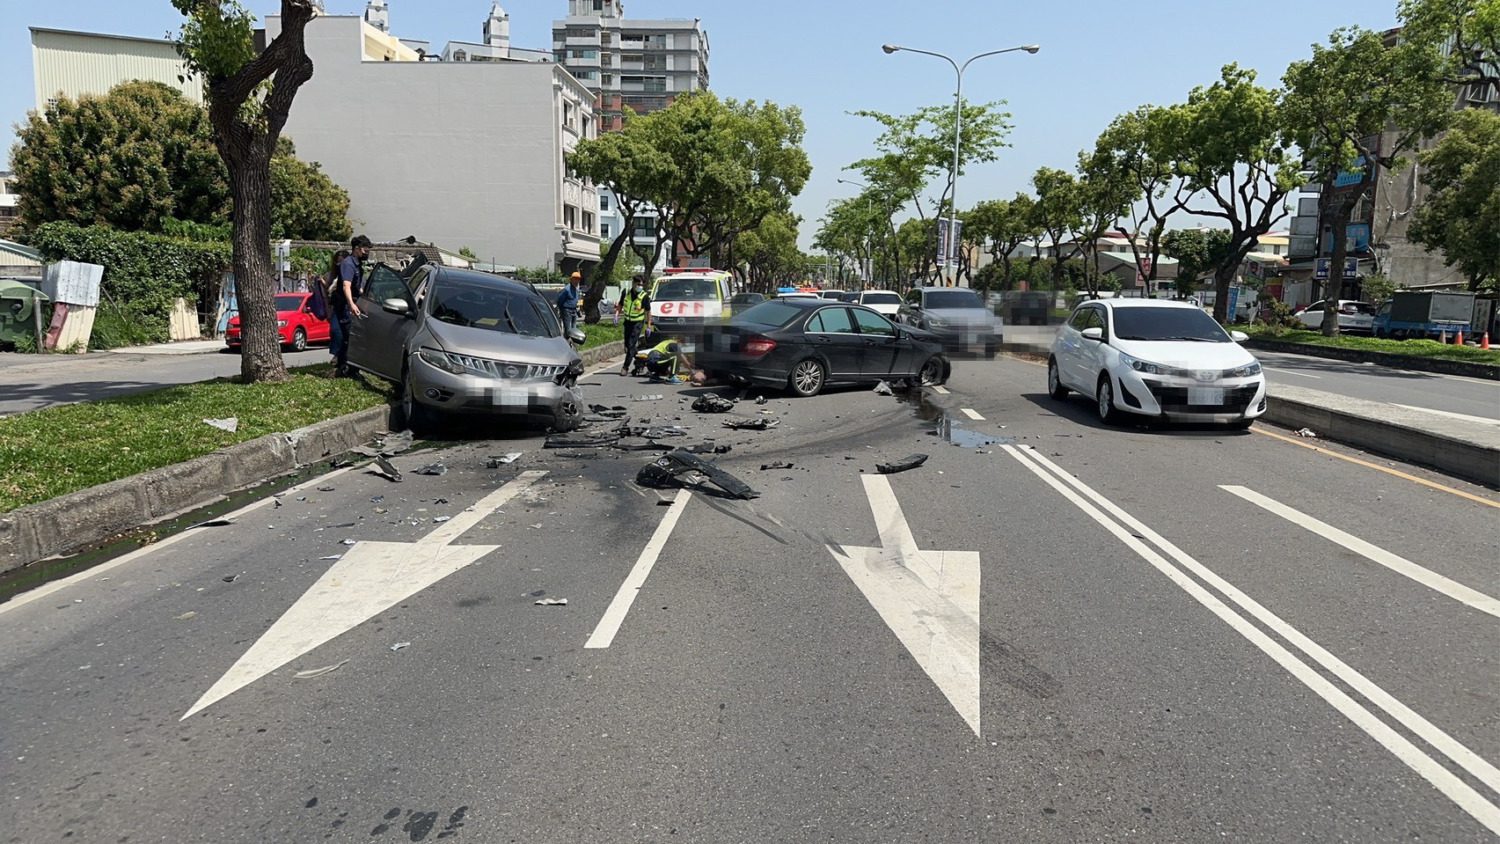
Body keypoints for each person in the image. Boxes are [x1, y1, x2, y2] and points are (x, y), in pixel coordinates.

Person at [330, 235, 371, 377]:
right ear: (356, 249)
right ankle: (346, 369)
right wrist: (352, 304)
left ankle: (347, 368)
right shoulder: (348, 264)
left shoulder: (357, 265)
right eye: (365, 250)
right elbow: (346, 285)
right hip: (346, 307)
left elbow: (356, 286)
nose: (367, 253)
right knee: (349, 337)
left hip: (352, 304)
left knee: (350, 338)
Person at [618, 274, 651, 376]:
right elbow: (620, 304)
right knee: (628, 346)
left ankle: (625, 367)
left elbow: (648, 311)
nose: (640, 286)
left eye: (641, 284)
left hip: (638, 323)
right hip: (627, 322)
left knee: (632, 344)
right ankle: (641, 360)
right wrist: (616, 314)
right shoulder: (626, 293)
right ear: (633, 283)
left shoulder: (644, 296)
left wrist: (648, 326)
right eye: (638, 284)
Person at [557, 271, 582, 338]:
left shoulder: (576, 289)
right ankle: (567, 342)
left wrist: (577, 309)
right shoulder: (567, 289)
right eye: (575, 279)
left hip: (574, 310)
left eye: (578, 279)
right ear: (571, 280)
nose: (577, 281)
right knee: (568, 329)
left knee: (574, 328)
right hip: (567, 310)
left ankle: (573, 341)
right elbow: (560, 300)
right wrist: (561, 310)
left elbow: (575, 300)